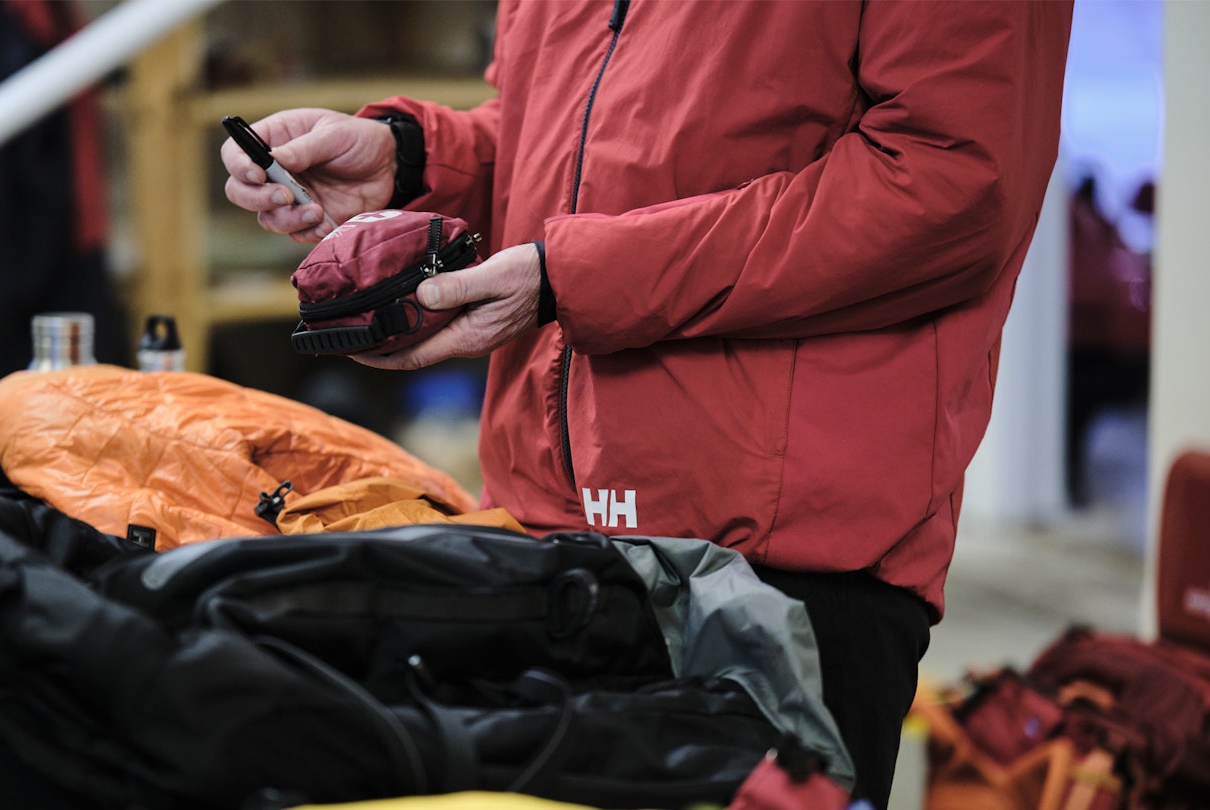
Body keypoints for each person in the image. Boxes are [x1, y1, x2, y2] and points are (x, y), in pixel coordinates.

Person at [222, 1, 1075, 806]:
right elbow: (581, 142)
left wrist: (575, 276)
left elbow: (946, 187)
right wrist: (413, 157)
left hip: (775, 563)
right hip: (542, 524)